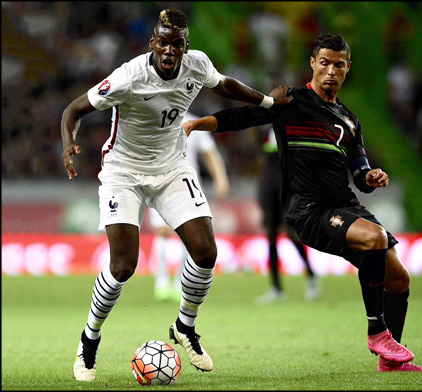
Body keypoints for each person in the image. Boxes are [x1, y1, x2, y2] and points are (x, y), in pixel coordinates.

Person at [183, 33, 422, 373]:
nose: (331, 70)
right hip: (309, 210)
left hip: (345, 206)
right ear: (313, 64)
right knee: (375, 238)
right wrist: (199, 124)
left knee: (400, 278)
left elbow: (359, 172)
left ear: (348, 69)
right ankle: (377, 331)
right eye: (325, 63)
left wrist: (371, 177)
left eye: (339, 65)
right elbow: (242, 118)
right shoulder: (292, 102)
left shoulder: (348, 120)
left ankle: (391, 362)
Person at [61, 9, 290, 381]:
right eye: (163, 42)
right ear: (153, 43)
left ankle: (184, 327)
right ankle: (89, 341)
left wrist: (266, 103)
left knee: (206, 251)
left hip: (171, 169)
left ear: (186, 46)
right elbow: (74, 109)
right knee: (123, 266)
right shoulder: (128, 76)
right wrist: (68, 143)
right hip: (124, 172)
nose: (170, 50)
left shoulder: (196, 65)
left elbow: (226, 84)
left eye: (177, 44)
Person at [150, 111, 230, 302]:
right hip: (157, 183)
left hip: (187, 187)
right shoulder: (153, 117)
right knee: (162, 231)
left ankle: (179, 281)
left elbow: (209, 153)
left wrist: (220, 178)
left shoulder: (193, 122)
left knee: (189, 235)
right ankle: (161, 280)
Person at [255, 127, 319, 304]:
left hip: (287, 184)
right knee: (271, 235)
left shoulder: (292, 128)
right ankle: (276, 288)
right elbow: (262, 160)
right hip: (269, 185)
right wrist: (261, 193)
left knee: (291, 232)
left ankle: (310, 274)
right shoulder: (264, 129)